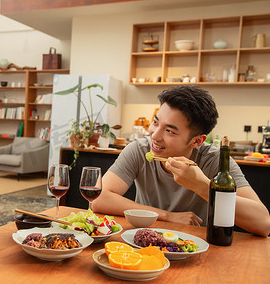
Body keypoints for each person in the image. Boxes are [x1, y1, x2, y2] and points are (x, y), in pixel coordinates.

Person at [92, 85, 270, 237]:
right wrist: (167, 216)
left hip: (193, 246)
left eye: (169, 131)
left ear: (197, 141)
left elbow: (263, 224)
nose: (154, 134)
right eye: (156, 122)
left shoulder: (215, 160)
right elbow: (98, 199)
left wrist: (202, 186)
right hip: (143, 240)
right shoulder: (139, 150)